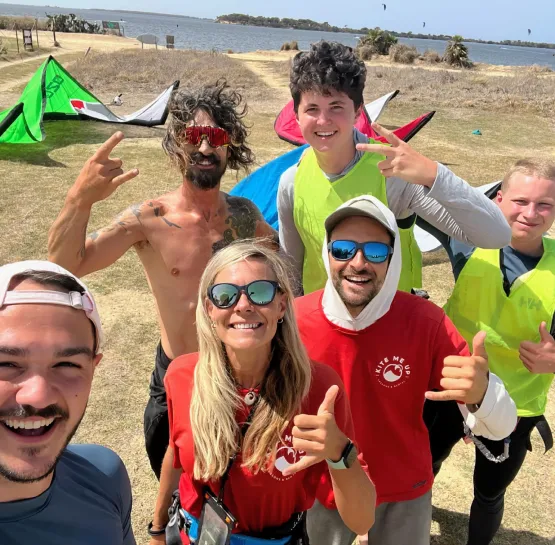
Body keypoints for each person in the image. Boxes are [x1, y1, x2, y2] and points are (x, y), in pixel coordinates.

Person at [47, 81, 277, 479]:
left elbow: (284, 277)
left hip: (236, 375)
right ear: (176, 143)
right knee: (173, 484)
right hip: (177, 376)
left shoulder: (245, 215)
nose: (205, 148)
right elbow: (68, 262)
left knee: (238, 484)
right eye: (193, 136)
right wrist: (79, 199)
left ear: (230, 144)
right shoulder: (149, 219)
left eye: (216, 136)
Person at [293, 196, 518, 545]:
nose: (358, 262)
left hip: (404, 486)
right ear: (326, 252)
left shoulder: (425, 322)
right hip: (325, 484)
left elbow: (503, 424)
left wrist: (483, 394)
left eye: (376, 252)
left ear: (394, 257)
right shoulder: (293, 321)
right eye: (343, 249)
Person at [148, 241, 375, 544]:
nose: (243, 305)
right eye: (226, 295)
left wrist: (339, 452)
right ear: (209, 309)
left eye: (260, 292)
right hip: (192, 535)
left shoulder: (318, 387)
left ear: (282, 304)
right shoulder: (182, 375)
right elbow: (176, 455)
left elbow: (362, 519)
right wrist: (158, 529)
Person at [277, 40, 511, 295]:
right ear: (297, 116)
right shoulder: (292, 181)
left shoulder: (391, 175)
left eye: (336, 107)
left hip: (388, 324)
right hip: (323, 327)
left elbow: (496, 235)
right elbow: (292, 268)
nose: (323, 121)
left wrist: (434, 174)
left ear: (358, 113)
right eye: (312, 109)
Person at [426, 158, 555, 545]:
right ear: (497, 200)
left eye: (544, 204)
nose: (530, 214)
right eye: (519, 201)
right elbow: (416, 200)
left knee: (489, 492)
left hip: (515, 406)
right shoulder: (467, 240)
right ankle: (411, 514)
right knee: (425, 465)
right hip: (448, 388)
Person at [0, 260, 134, 545]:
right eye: (6, 363)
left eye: (67, 364)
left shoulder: (103, 476)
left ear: (93, 369)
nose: (38, 395)